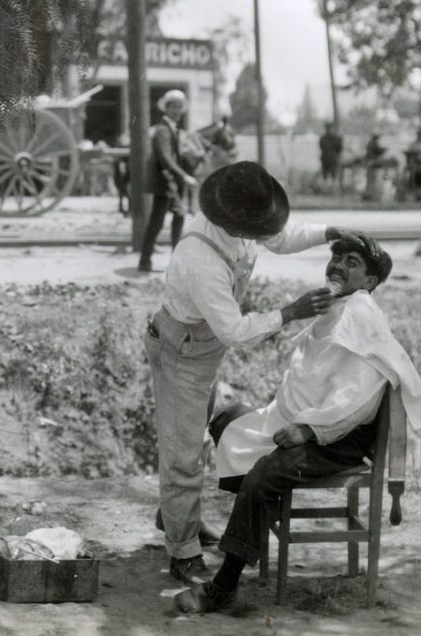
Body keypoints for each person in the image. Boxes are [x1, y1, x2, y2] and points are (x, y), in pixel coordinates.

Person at [174, 234, 421, 613]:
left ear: (370, 282)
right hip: (305, 420)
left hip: (337, 437)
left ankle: (224, 586)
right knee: (227, 418)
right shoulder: (334, 307)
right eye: (337, 257)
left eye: (352, 263)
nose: (339, 265)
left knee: (263, 475)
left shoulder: (361, 315)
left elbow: (356, 398)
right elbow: (311, 377)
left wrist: (309, 430)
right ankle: (255, 523)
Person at [145, 160, 354, 585]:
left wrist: (330, 232)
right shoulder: (199, 257)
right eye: (259, 229)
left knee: (193, 435)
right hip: (182, 349)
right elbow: (236, 331)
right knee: (182, 449)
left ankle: (174, 518)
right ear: (234, 221)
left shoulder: (239, 220)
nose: (266, 236)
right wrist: (289, 312)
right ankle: (182, 553)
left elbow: (281, 236)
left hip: (203, 347)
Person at [138, 90, 196, 272]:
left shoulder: (174, 129)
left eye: (180, 107)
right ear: (167, 107)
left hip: (172, 183)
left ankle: (175, 261)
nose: (177, 111)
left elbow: (177, 157)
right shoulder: (163, 129)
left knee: (178, 216)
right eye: (174, 107)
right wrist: (184, 175)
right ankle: (145, 261)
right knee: (157, 222)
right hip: (164, 182)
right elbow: (165, 157)